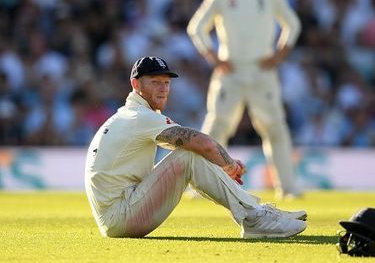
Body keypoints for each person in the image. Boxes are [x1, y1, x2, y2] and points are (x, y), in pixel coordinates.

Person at [84, 56, 307, 239]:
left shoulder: (130, 115)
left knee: (189, 155)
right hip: (121, 217)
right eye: (155, 82)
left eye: (166, 83)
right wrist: (228, 165)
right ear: (136, 84)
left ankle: (255, 212)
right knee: (188, 156)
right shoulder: (139, 117)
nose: (163, 89)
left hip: (117, 215)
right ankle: (255, 217)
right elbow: (203, 143)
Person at [187, 0, 302, 199]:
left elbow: (292, 25)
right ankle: (201, 186)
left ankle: (288, 188)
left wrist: (279, 55)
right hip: (231, 70)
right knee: (216, 126)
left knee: (275, 128)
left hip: (262, 70)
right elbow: (196, 28)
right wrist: (213, 57)